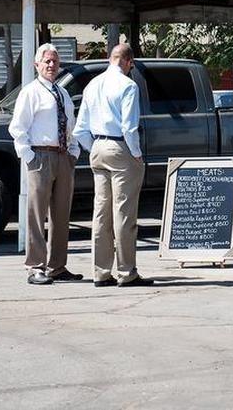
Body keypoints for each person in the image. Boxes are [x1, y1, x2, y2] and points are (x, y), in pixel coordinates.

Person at [73, 43, 152, 288]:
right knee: (124, 212)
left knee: (101, 213)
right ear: (129, 62)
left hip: (97, 147)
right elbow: (129, 127)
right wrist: (136, 153)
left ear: (110, 59)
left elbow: (80, 128)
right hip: (120, 147)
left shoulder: (93, 84)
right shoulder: (128, 85)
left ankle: (101, 272)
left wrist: (94, 146)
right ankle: (127, 271)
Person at [8, 43, 82, 285]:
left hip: (63, 157)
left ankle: (58, 266)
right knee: (36, 214)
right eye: (47, 61)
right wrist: (28, 155)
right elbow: (17, 128)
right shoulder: (30, 92)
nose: (51, 65)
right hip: (40, 156)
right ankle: (35, 267)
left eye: (54, 61)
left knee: (62, 215)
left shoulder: (62, 93)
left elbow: (70, 125)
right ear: (36, 64)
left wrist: (73, 152)